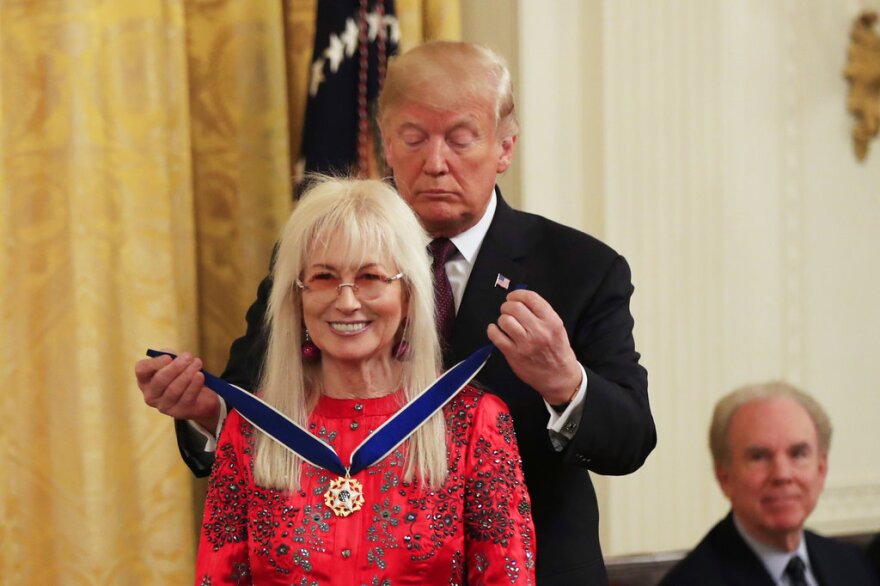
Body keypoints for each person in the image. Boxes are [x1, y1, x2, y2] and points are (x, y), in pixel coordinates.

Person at [136, 41, 656, 585]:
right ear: (386, 142)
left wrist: (565, 383)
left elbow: (630, 442)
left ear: (505, 147)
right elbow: (260, 403)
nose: (435, 162)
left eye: (460, 139)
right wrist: (203, 411)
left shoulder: (579, 268)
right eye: (413, 138)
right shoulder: (322, 254)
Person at [190, 177, 535, 583]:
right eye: (323, 277)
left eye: (371, 277)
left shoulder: (474, 423)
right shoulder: (252, 429)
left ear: (408, 296)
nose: (347, 300)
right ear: (296, 299)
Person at [660, 381, 880, 586]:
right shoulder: (691, 580)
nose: (782, 474)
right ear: (724, 476)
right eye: (759, 457)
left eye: (798, 454)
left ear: (821, 469)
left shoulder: (853, 563)